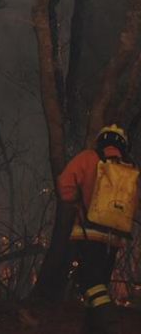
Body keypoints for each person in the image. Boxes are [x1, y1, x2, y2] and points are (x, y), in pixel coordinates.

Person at [58, 124, 139, 334]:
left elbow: (64, 184)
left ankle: (109, 323)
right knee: (98, 282)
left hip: (88, 231)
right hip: (114, 237)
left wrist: (76, 201)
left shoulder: (88, 158)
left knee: (88, 281)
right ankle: (92, 328)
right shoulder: (130, 168)